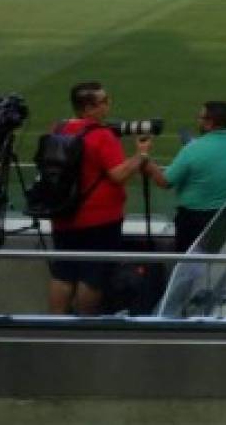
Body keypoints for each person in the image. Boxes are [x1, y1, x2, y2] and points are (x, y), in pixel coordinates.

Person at [48, 81, 152, 316]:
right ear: (88, 108)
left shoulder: (58, 128)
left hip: (63, 214)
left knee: (63, 272)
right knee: (92, 276)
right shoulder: (102, 136)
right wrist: (141, 155)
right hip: (99, 220)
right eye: (104, 101)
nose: (108, 105)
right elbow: (118, 175)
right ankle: (83, 326)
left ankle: (54, 323)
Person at [142, 101, 226, 253]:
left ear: (209, 122)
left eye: (201, 118)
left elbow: (165, 181)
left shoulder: (192, 150)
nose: (198, 121)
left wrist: (145, 159)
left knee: (189, 267)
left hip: (195, 222)